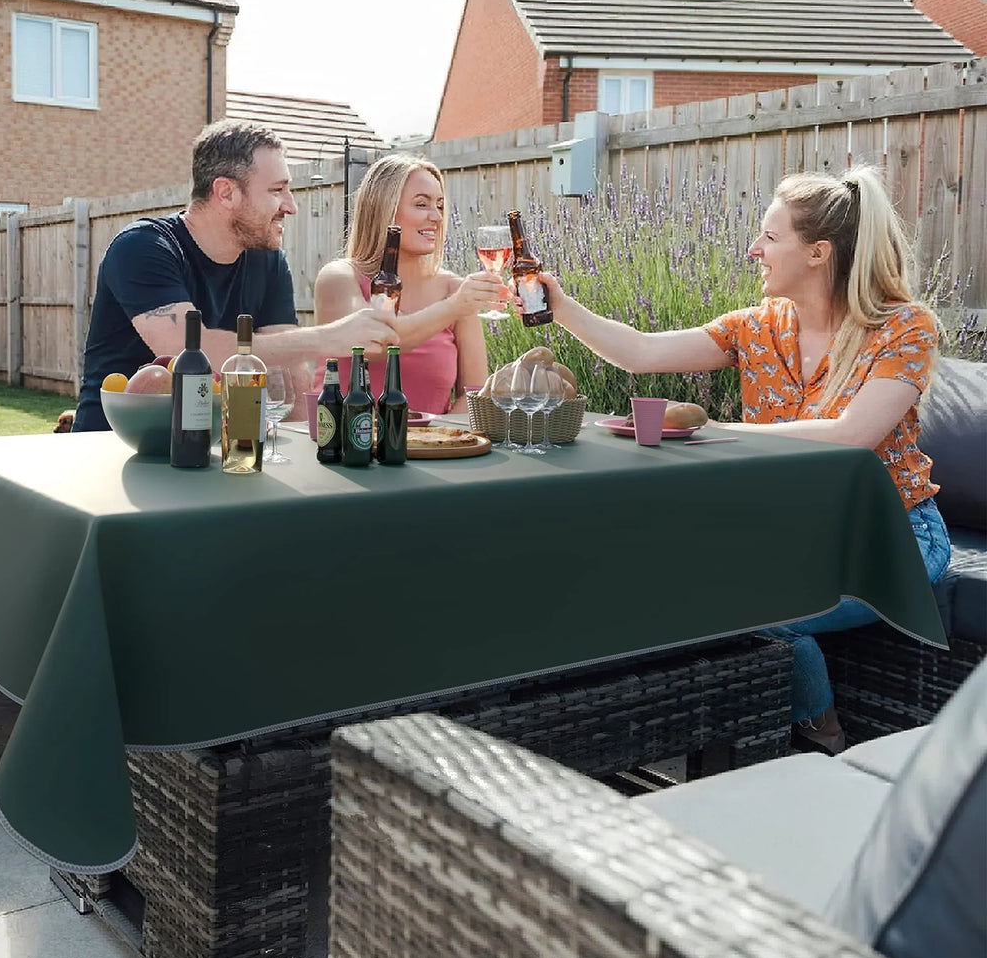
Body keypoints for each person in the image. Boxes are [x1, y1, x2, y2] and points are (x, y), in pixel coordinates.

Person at [532, 165, 951, 753]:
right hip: (797, 537)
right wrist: (561, 307)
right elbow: (641, 353)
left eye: (771, 237)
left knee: (752, 613)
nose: (754, 249)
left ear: (818, 253)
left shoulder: (903, 328)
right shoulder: (760, 327)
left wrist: (718, 430)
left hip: (892, 538)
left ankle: (822, 732)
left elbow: (853, 434)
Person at [73, 120, 397, 431]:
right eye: (277, 190)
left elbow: (288, 366)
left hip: (207, 450)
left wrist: (298, 445)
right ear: (226, 192)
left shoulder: (267, 260)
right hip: (109, 448)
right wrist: (329, 337)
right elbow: (191, 351)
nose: (291, 206)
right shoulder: (143, 247)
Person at [312, 154, 509, 414]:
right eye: (421, 204)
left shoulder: (454, 290)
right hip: (345, 438)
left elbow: (474, 395)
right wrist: (454, 307)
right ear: (384, 210)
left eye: (439, 206)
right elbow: (373, 344)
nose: (436, 217)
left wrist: (432, 434)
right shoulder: (339, 278)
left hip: (432, 439)